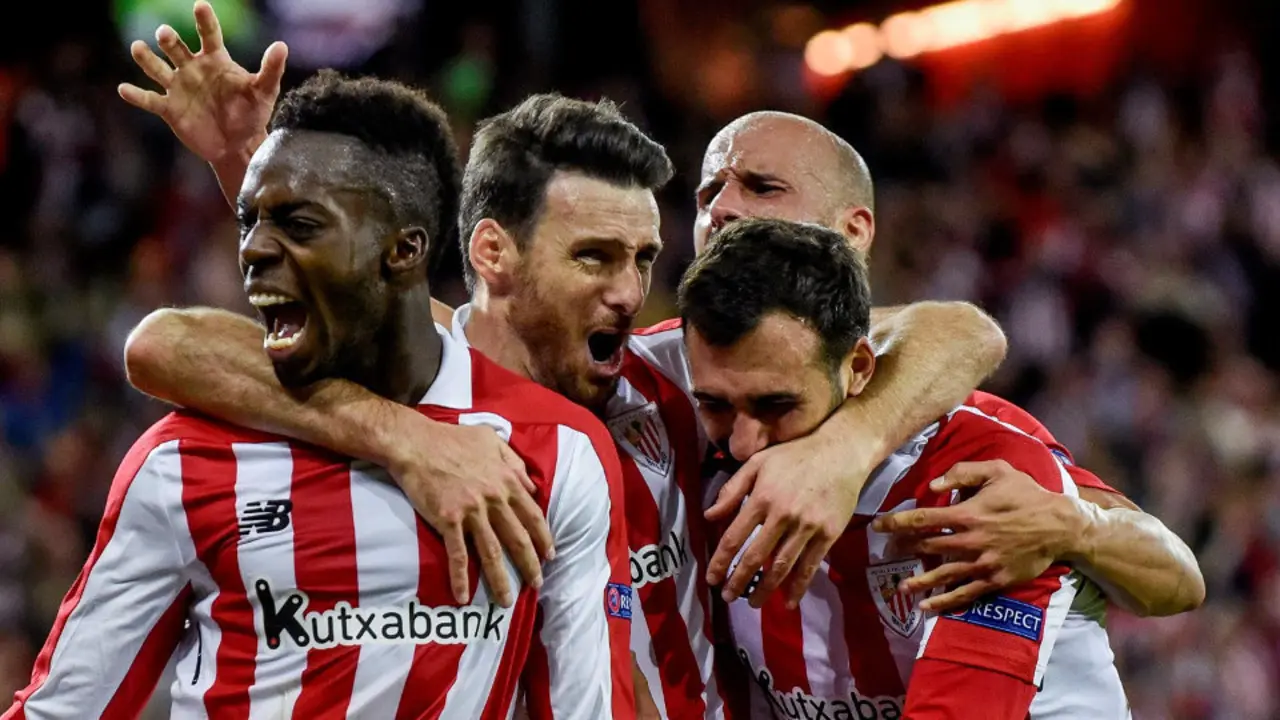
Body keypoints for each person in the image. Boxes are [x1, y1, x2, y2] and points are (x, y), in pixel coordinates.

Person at [118, 6, 1010, 718]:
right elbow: (167, 345)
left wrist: (840, 450)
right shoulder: (432, 381)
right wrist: (401, 436)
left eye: (642, 259)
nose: (631, 291)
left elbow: (960, 331)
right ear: (496, 253)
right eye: (595, 259)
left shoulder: (671, 383)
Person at [4, 71, 635, 719]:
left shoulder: (558, 451)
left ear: (404, 251)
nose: (251, 250)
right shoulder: (181, 462)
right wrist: (403, 436)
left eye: (298, 225)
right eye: (249, 221)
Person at [693, 110, 1205, 619]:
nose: (722, 208)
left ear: (851, 231)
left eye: (763, 188)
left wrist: (1076, 527)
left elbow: (1179, 578)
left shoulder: (934, 410)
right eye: (708, 192)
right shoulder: (652, 367)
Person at [683, 217, 1130, 719]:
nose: (744, 443)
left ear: (858, 370)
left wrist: (1081, 528)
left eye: (777, 405)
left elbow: (1176, 580)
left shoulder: (979, 475)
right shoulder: (696, 460)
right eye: (715, 405)